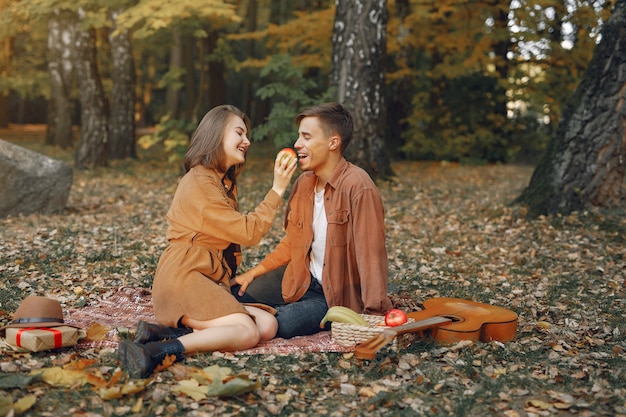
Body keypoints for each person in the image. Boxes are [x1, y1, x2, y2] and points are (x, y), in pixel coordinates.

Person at [118, 104, 297, 378]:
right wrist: (277, 189)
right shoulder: (200, 182)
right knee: (248, 332)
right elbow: (247, 232)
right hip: (185, 276)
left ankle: (166, 331)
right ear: (216, 135)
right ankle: (157, 351)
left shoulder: (220, 181)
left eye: (246, 135)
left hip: (206, 278)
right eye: (239, 133)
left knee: (267, 325)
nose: (247, 141)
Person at [230, 102, 393, 339]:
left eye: (306, 137)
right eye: (299, 136)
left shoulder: (359, 187)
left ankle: (264, 316)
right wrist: (254, 273)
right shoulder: (303, 183)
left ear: (333, 142)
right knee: (236, 293)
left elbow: (371, 257)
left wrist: (373, 316)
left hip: (333, 296)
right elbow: (292, 243)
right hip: (301, 276)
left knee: (283, 324)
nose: (297, 144)